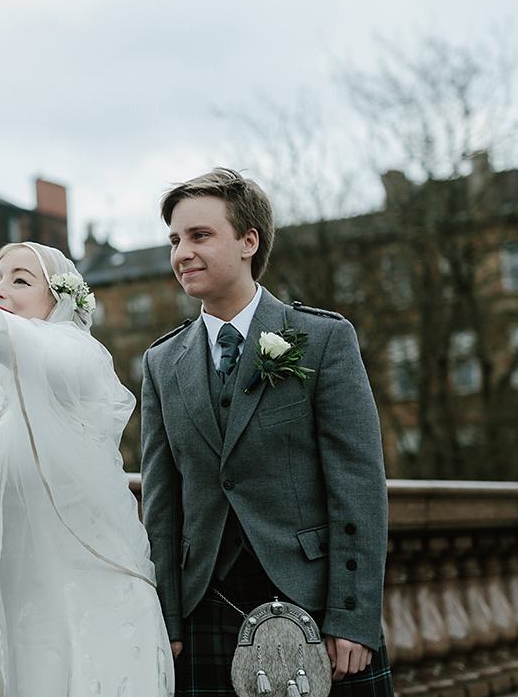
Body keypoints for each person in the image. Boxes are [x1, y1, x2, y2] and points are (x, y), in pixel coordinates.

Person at [140, 168, 392, 697]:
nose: (182, 252)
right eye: (175, 240)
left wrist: (353, 616)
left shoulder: (323, 339)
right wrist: (166, 616)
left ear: (248, 241)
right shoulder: (162, 362)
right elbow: (161, 503)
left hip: (318, 605)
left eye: (199, 235)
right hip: (202, 606)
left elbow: (358, 487)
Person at [0, 241, 173, 696]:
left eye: (20, 280)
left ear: (59, 301)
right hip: (20, 614)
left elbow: (25, 347)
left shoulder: (78, 359)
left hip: (97, 608)